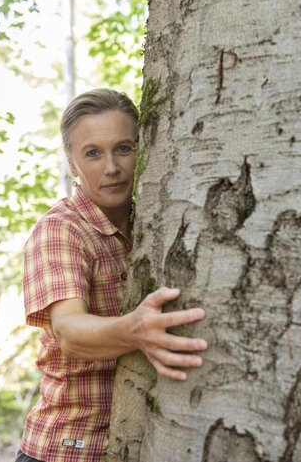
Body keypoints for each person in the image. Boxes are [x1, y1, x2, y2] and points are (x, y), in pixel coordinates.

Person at [16, 88, 208, 462]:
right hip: (67, 448)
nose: (112, 168)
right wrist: (134, 331)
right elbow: (70, 332)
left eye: (124, 148)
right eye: (93, 153)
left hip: (136, 441)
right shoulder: (61, 230)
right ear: (72, 163)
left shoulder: (156, 222)